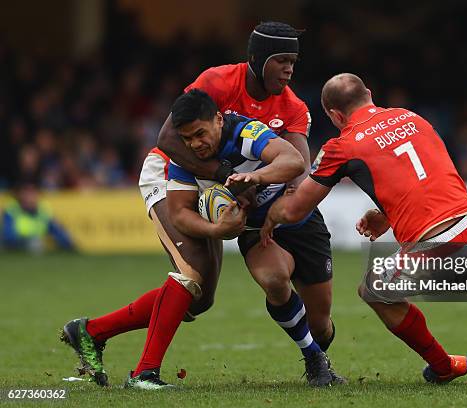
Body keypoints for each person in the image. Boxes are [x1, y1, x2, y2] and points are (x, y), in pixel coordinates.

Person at [60, 22, 340, 389]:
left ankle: (91, 331)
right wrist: (226, 174)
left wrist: (258, 185)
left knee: (200, 299)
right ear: (258, 59)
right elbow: (168, 138)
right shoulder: (219, 81)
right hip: (173, 174)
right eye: (281, 60)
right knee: (191, 275)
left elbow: (295, 165)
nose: (289, 69)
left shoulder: (292, 107)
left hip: (220, 186)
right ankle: (144, 374)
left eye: (293, 61)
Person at [260, 73, 467, 385]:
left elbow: (295, 210)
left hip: (438, 244)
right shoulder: (410, 117)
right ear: (369, 94)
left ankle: (443, 365)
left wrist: (263, 206)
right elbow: (424, 176)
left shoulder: (342, 146)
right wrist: (386, 214)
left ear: (335, 115)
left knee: (374, 290)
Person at [166, 89, 339, 387]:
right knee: (273, 279)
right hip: (256, 231)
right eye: (186, 138)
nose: (195, 144)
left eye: (199, 133)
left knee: (319, 325)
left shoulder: (245, 131)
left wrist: (255, 177)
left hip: (300, 222)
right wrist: (216, 231)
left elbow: (294, 161)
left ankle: (317, 346)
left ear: (219, 120)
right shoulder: (184, 160)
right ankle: (313, 358)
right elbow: (179, 213)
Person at [1, 182, 75, 252]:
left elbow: (57, 231)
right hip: (14, 244)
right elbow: (8, 234)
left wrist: (69, 245)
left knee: (36, 243)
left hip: (34, 245)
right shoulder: (12, 210)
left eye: (32, 193)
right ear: (20, 195)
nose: (30, 197)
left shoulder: (43, 211)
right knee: (35, 243)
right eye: (27, 194)